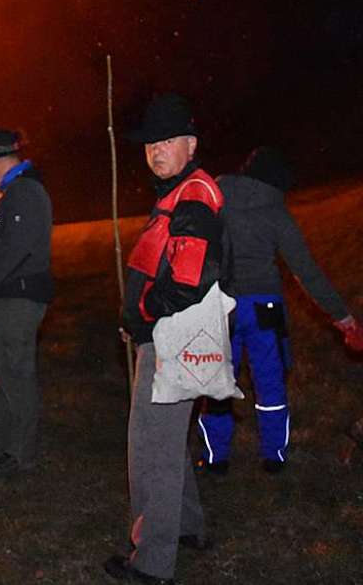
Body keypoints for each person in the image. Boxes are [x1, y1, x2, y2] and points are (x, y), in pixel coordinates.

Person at [104, 93, 221, 585]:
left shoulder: (193, 193)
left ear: (190, 144)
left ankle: (152, 563)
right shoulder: (178, 191)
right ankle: (187, 526)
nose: (156, 150)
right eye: (151, 142)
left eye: (168, 140)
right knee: (168, 440)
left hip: (172, 338)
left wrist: (144, 313)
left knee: (152, 447)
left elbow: (186, 278)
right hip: (170, 336)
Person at [196, 146, 363, 474]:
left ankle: (215, 459)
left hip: (220, 307)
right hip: (265, 307)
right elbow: (305, 269)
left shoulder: (216, 199)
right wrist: (344, 319)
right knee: (269, 382)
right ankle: (273, 457)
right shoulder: (276, 211)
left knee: (216, 382)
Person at [0, 128, 53, 478]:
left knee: (16, 371)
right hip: (9, 296)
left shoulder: (24, 193)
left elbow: (16, 251)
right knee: (1, 365)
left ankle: (20, 452)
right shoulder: (17, 192)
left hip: (18, 297)